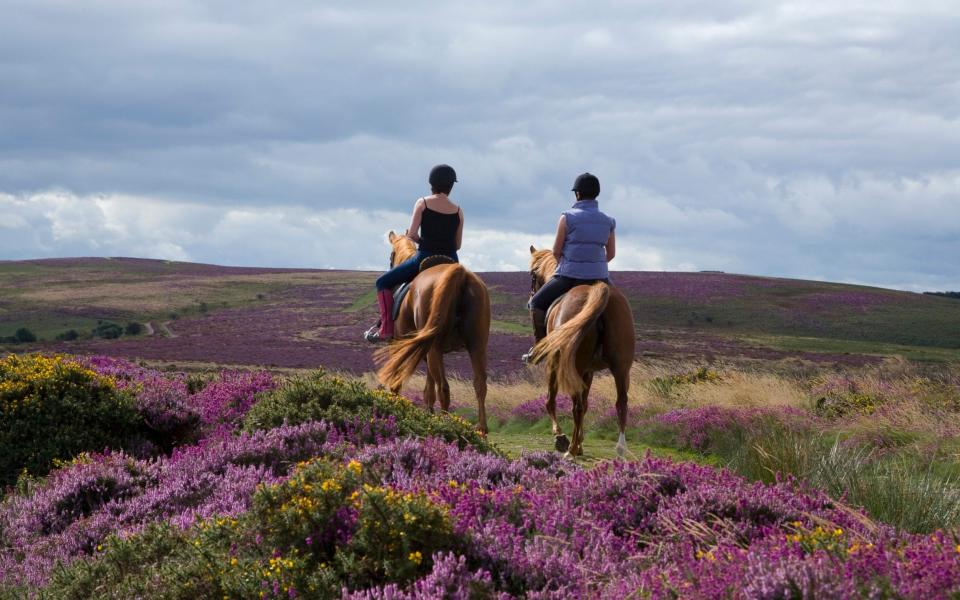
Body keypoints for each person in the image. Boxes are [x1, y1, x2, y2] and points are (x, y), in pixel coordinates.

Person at [522, 172, 616, 362]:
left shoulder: (567, 218)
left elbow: (556, 252)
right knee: (618, 307)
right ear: (596, 194)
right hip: (600, 278)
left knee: (536, 304)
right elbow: (611, 254)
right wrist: (594, 265)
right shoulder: (608, 221)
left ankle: (540, 349)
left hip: (569, 276)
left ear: (577, 194)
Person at [364, 164, 464, 342]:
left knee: (382, 282)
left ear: (431, 184)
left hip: (424, 257)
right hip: (451, 261)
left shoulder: (423, 203)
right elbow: (457, 245)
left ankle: (386, 329)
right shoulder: (458, 211)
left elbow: (411, 235)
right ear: (451, 186)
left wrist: (425, 242)